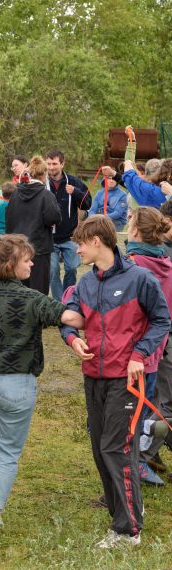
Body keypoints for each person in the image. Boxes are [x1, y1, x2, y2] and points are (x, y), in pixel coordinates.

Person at [0, 234, 84, 531]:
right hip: (16, 384)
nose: (32, 264)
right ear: (11, 264)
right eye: (27, 260)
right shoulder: (32, 299)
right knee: (7, 450)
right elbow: (71, 318)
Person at [60, 215, 170, 548]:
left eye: (81, 244)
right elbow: (68, 317)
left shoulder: (140, 279)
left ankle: (127, 531)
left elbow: (162, 320)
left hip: (128, 379)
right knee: (100, 449)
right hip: (93, 377)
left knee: (116, 447)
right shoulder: (85, 283)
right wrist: (72, 339)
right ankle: (124, 510)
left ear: (97, 241)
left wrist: (139, 354)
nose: (77, 251)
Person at [122, 207, 172, 487]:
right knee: (150, 404)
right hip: (158, 348)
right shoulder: (166, 263)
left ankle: (137, 461)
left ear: (136, 231)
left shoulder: (133, 266)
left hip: (136, 352)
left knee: (142, 409)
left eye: (130, 221)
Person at [5, 156, 62, 295]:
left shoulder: (15, 194)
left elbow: (8, 218)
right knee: (39, 290)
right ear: (44, 175)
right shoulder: (46, 195)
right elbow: (54, 218)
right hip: (39, 249)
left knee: (19, 289)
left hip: (18, 247)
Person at [45, 150, 92, 300]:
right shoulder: (42, 183)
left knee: (72, 268)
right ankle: (59, 302)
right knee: (52, 270)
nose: (51, 167)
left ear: (62, 164)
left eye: (54, 164)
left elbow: (87, 204)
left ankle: (68, 297)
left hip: (70, 237)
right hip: (48, 238)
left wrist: (76, 192)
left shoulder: (74, 182)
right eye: (48, 164)